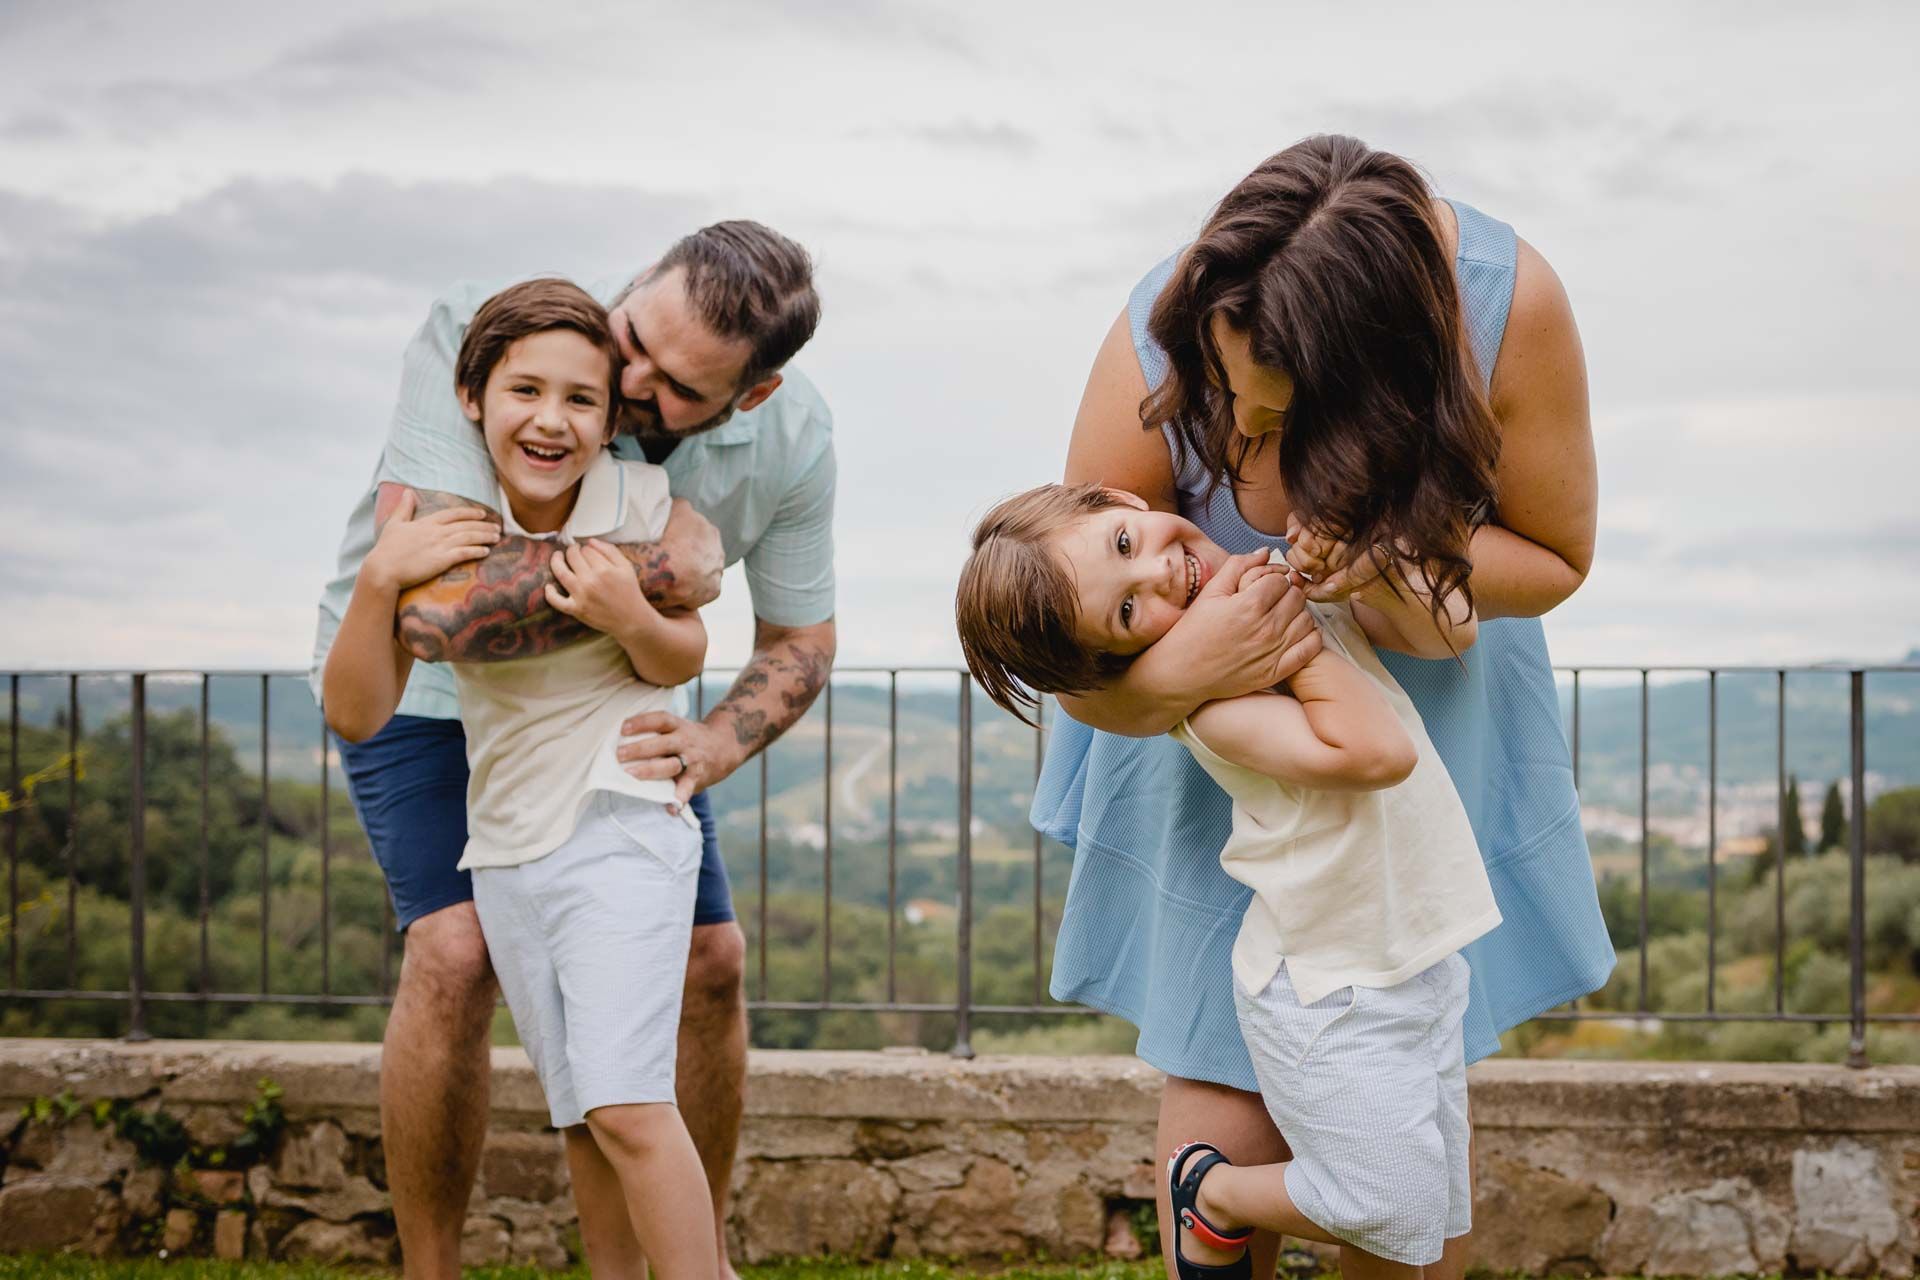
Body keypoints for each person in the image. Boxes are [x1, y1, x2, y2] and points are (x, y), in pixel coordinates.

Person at [1032, 135, 1615, 1279]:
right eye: (1225, 398)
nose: (1240, 438)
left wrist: (1407, 549)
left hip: (1419, 716)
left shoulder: (1514, 306)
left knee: (1405, 1096)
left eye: (1270, 414)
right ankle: (1217, 1209)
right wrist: (1198, 682)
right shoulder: (1170, 310)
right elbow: (1074, 618)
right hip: (1206, 733)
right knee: (1220, 1062)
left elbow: (1553, 553)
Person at [310, 221, 834, 1280]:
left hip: (599, 726)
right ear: (638, 280)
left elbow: (802, 638)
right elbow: (442, 615)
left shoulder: (792, 439)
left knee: (710, 963)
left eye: (677, 387)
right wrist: (659, 569)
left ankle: (692, 1248)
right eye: (632, 335)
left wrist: (710, 742)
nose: (627, 378)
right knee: (454, 956)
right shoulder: (494, 332)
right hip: (431, 700)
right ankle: (431, 1266)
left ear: (752, 395)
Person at [955, 480, 1500, 1275]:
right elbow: (1377, 755)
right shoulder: (1216, 704)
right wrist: (1289, 621)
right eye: (1130, 612)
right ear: (1126, 659)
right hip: (1331, 985)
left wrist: (1358, 557)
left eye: (1123, 544)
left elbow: (1458, 625)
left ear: (1121, 500)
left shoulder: (1275, 587)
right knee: (1395, 1203)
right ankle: (1215, 1194)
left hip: (1416, 956)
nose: (1159, 575)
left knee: (1430, 1221)